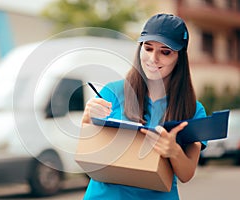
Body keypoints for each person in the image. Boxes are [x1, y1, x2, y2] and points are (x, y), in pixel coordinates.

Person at [81, 13, 207, 200]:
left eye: (165, 52)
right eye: (148, 48)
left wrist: (173, 151)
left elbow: (186, 175)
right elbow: (87, 154)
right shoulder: (112, 93)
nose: (153, 59)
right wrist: (87, 117)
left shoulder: (192, 110)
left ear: (179, 58)